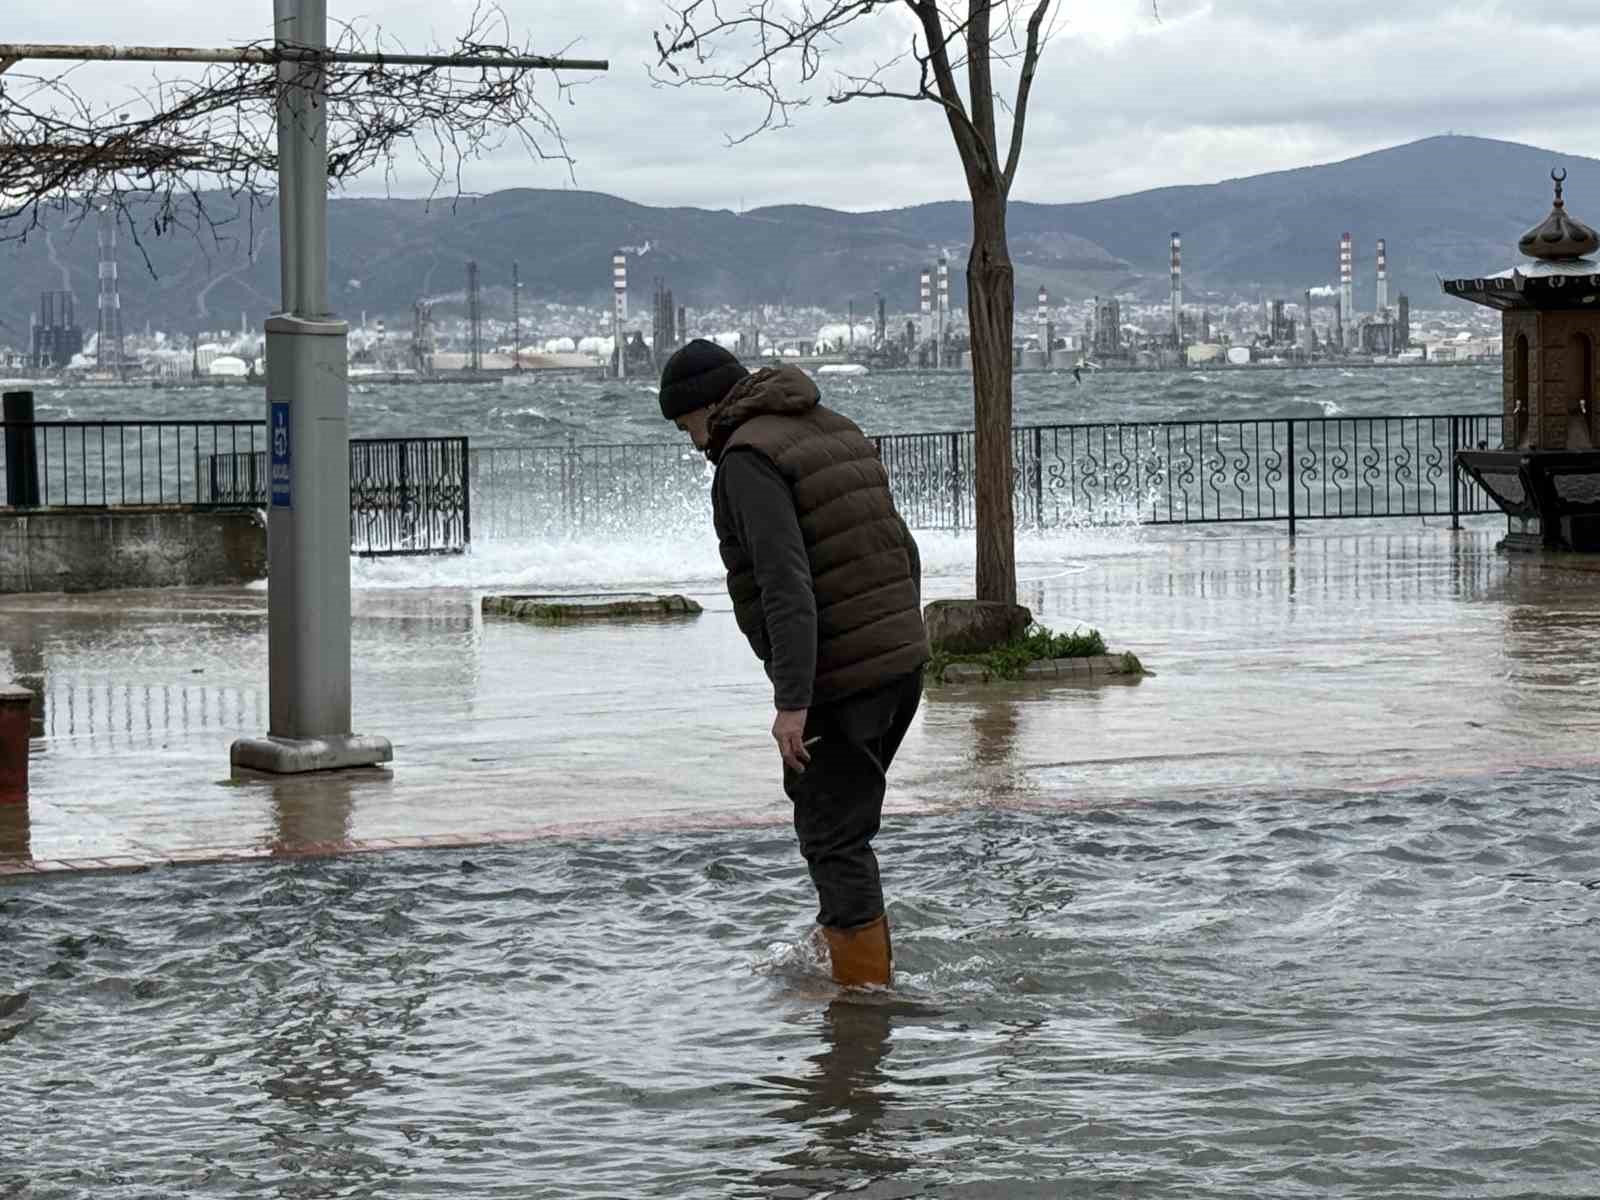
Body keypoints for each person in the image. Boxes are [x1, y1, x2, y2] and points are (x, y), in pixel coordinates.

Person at [659, 339, 929, 988]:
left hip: (841, 680)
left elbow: (784, 583)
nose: (692, 443)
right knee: (845, 825)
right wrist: (903, 641)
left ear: (707, 408)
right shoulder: (833, 427)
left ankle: (864, 1003)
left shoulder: (746, 459)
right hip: (900, 664)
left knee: (834, 837)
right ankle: (846, 956)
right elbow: (902, 547)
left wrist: (792, 701)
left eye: (686, 425)